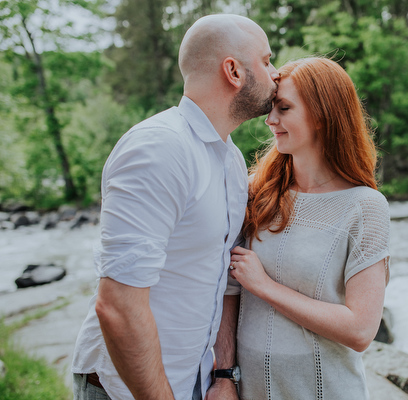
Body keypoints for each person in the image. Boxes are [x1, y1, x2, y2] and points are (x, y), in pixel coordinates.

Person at [71, 14, 279, 400]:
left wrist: (223, 374)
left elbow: (224, 278)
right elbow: (117, 306)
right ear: (233, 71)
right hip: (128, 391)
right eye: (266, 61)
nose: (276, 73)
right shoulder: (159, 149)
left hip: (194, 382)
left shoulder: (231, 161)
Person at [227, 57, 391, 399]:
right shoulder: (254, 192)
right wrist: (223, 376)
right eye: (273, 108)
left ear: (322, 115)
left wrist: (264, 286)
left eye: (284, 108)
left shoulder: (365, 207)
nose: (271, 120)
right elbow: (226, 292)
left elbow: (361, 330)